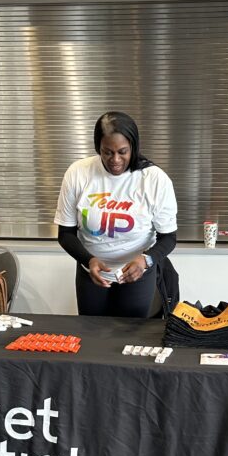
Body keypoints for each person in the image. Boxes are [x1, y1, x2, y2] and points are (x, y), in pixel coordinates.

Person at [54, 111, 178, 317]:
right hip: (91, 275)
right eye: (107, 152)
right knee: (93, 337)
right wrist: (88, 260)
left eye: (123, 152)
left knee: (131, 339)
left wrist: (145, 260)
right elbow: (65, 234)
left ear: (134, 147)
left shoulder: (154, 179)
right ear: (98, 148)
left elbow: (169, 238)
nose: (115, 160)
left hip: (137, 276)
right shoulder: (78, 173)